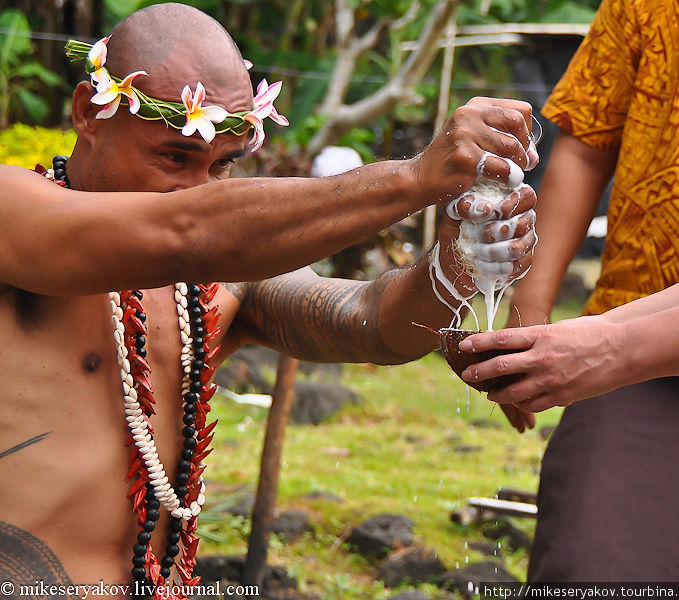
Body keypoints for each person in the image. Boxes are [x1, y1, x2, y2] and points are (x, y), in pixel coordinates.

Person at [0, 3, 539, 596]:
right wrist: (416, 178)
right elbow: (188, 229)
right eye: (174, 156)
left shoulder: (217, 282)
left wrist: (456, 268)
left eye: (224, 165)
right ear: (88, 113)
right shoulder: (12, 212)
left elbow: (372, 325)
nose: (197, 187)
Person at [462, 0, 679, 582]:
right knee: (594, 565)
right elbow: (588, 142)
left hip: (633, 348)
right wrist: (536, 314)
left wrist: (612, 346)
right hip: (645, 360)